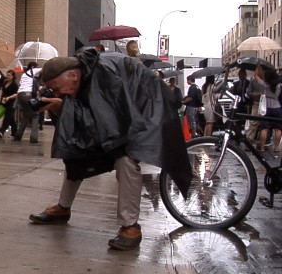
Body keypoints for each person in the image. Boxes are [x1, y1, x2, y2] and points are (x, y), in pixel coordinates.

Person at [29, 52, 191, 251]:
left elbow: (110, 124)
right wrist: (60, 109)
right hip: (121, 117)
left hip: (146, 110)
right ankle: (63, 208)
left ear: (73, 76)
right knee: (75, 152)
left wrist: (66, 108)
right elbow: (85, 121)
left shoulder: (103, 76)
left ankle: (130, 227)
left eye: (56, 88)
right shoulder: (82, 77)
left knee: (126, 159)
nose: (57, 93)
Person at [14, 62, 42, 143]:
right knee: (35, 115)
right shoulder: (33, 71)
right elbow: (45, 70)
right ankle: (34, 138)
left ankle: (18, 135)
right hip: (28, 95)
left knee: (26, 115)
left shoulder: (24, 75)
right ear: (33, 67)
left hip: (20, 95)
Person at [257, 68, 282, 153]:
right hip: (277, 107)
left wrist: (257, 68)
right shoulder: (279, 85)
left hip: (266, 108)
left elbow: (256, 77)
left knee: (264, 129)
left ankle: (262, 147)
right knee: (278, 129)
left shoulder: (265, 84)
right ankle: (276, 147)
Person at [246, 65, 265, 143]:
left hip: (265, 104)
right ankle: (249, 139)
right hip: (256, 103)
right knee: (253, 122)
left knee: (264, 123)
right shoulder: (253, 81)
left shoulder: (267, 81)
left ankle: (261, 141)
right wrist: (255, 95)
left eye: (259, 70)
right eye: (257, 70)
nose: (257, 71)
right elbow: (248, 92)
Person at [0, 69, 19, 137]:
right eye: (7, 75)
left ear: (13, 76)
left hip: (11, 103)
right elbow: (1, 89)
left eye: (9, 75)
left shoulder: (14, 85)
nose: (7, 76)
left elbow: (16, 94)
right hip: (4, 101)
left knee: (7, 118)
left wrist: (9, 98)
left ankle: (2, 131)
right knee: (11, 118)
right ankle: (15, 132)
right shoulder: (5, 82)